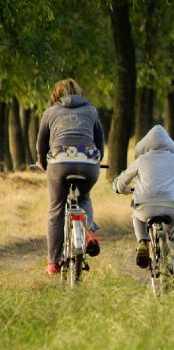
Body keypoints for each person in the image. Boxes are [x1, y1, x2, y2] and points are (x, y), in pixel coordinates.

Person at [36, 78, 104, 275]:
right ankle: (90, 231)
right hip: (88, 163)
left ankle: (53, 262)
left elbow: (42, 146)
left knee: (56, 208)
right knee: (84, 197)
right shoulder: (91, 110)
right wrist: (96, 161)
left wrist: (42, 164)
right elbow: (100, 142)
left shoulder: (50, 113)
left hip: (59, 163)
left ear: (57, 94)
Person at [113, 125, 174, 280]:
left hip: (144, 207)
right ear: (169, 144)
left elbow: (122, 181)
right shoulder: (173, 158)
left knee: (137, 216)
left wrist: (121, 189)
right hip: (169, 207)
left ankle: (142, 242)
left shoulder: (141, 160)